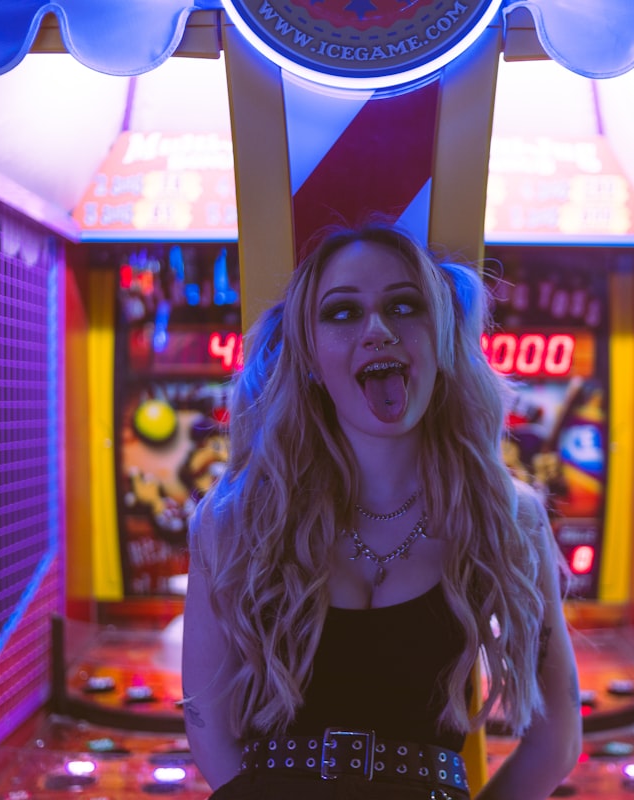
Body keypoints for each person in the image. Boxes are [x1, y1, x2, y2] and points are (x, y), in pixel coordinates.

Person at [182, 222, 582, 799]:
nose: (378, 330)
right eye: (343, 313)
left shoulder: (506, 515)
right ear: (312, 358)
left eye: (404, 306)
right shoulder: (234, 521)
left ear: (441, 341)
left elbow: (556, 741)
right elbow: (210, 735)